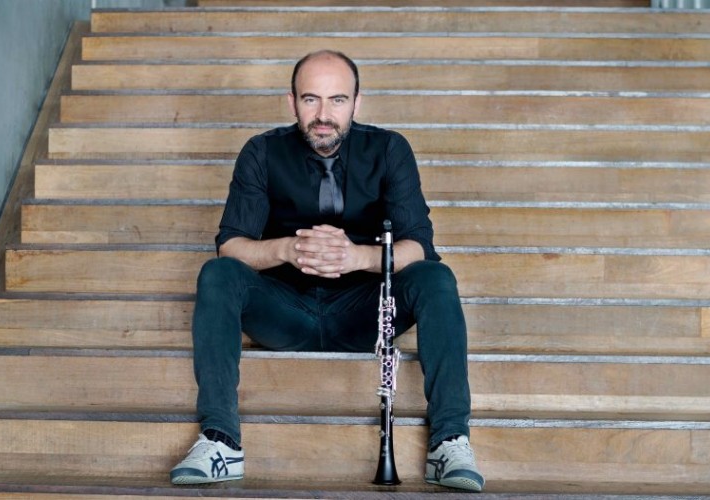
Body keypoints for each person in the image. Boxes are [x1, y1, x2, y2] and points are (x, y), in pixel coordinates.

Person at [169, 49, 485, 492]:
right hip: (285, 311)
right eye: (310, 99)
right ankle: (221, 440)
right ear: (291, 101)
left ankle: (449, 440)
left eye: (337, 100)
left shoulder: (390, 149)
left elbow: (420, 248)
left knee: (438, 279)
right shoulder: (261, 152)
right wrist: (287, 249)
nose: (323, 114)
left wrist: (357, 257)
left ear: (357, 103)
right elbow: (231, 245)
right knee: (216, 274)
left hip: (366, 314)